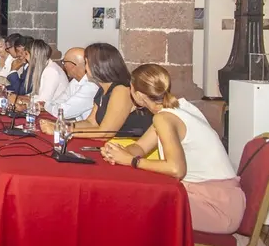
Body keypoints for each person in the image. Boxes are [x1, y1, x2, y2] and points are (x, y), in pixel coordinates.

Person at [101, 64, 245, 235]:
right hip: (220, 198)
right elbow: (140, 146)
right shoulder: (178, 108)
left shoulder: (165, 117)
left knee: (132, 206)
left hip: (216, 206)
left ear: (138, 95)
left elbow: (176, 169)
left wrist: (131, 161)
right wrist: (117, 152)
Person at [55, 42, 153, 137]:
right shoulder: (102, 88)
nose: (84, 68)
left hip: (130, 145)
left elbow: (106, 132)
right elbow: (91, 123)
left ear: (97, 66)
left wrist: (64, 131)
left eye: (86, 63)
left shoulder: (121, 90)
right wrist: (63, 126)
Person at [44, 47, 99, 121]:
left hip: (86, 130)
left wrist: (46, 105)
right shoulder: (75, 81)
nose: (64, 66)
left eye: (64, 62)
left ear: (72, 65)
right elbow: (60, 100)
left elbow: (64, 112)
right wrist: (51, 105)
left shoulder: (91, 86)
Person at [13, 39, 67, 109]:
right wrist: (19, 97)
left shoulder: (51, 71)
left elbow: (43, 101)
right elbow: (36, 95)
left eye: (26, 54)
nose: (25, 57)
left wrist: (19, 100)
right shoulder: (44, 67)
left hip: (55, 114)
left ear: (34, 56)